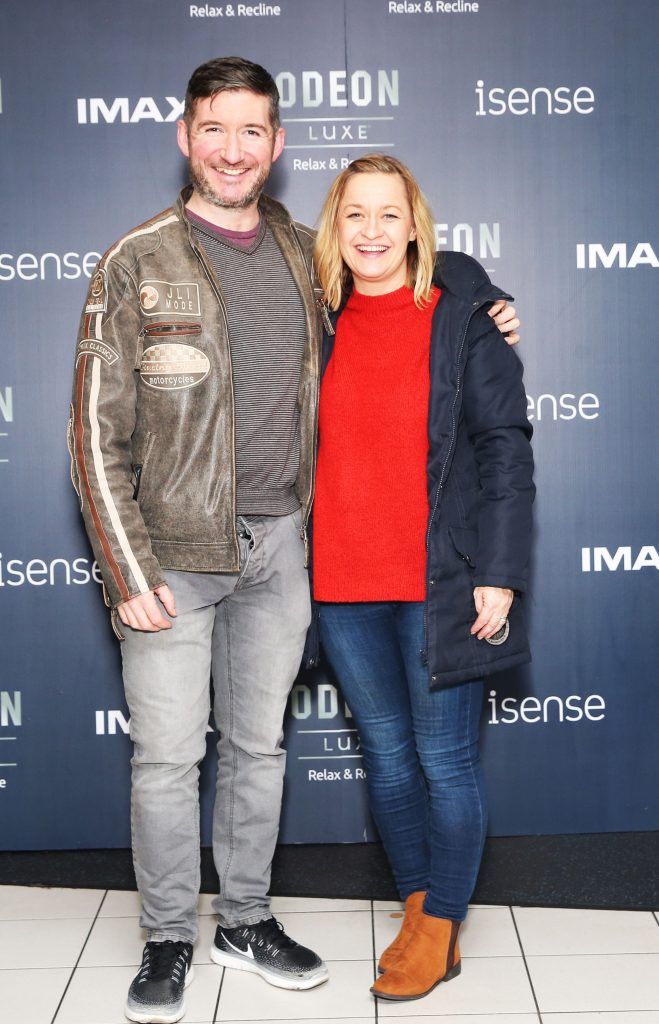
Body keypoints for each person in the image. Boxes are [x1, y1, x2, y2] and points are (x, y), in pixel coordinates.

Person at [69, 56, 520, 1023]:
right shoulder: (137, 259)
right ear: (186, 137)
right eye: (215, 129)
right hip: (176, 555)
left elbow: (416, 269)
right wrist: (125, 564)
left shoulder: (303, 253)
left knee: (261, 748)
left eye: (254, 132)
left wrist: (485, 293)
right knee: (165, 758)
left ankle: (243, 919)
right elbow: (91, 430)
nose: (233, 149)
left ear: (275, 148)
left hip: (287, 550)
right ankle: (165, 937)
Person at [311, 154, 535, 1002]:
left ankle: (440, 925)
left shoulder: (462, 314)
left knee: (445, 763)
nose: (371, 231)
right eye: (354, 215)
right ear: (334, 226)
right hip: (339, 581)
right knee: (390, 762)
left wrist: (501, 574)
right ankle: (416, 905)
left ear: (415, 225)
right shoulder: (316, 318)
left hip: (440, 581)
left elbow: (504, 450)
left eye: (388, 214)